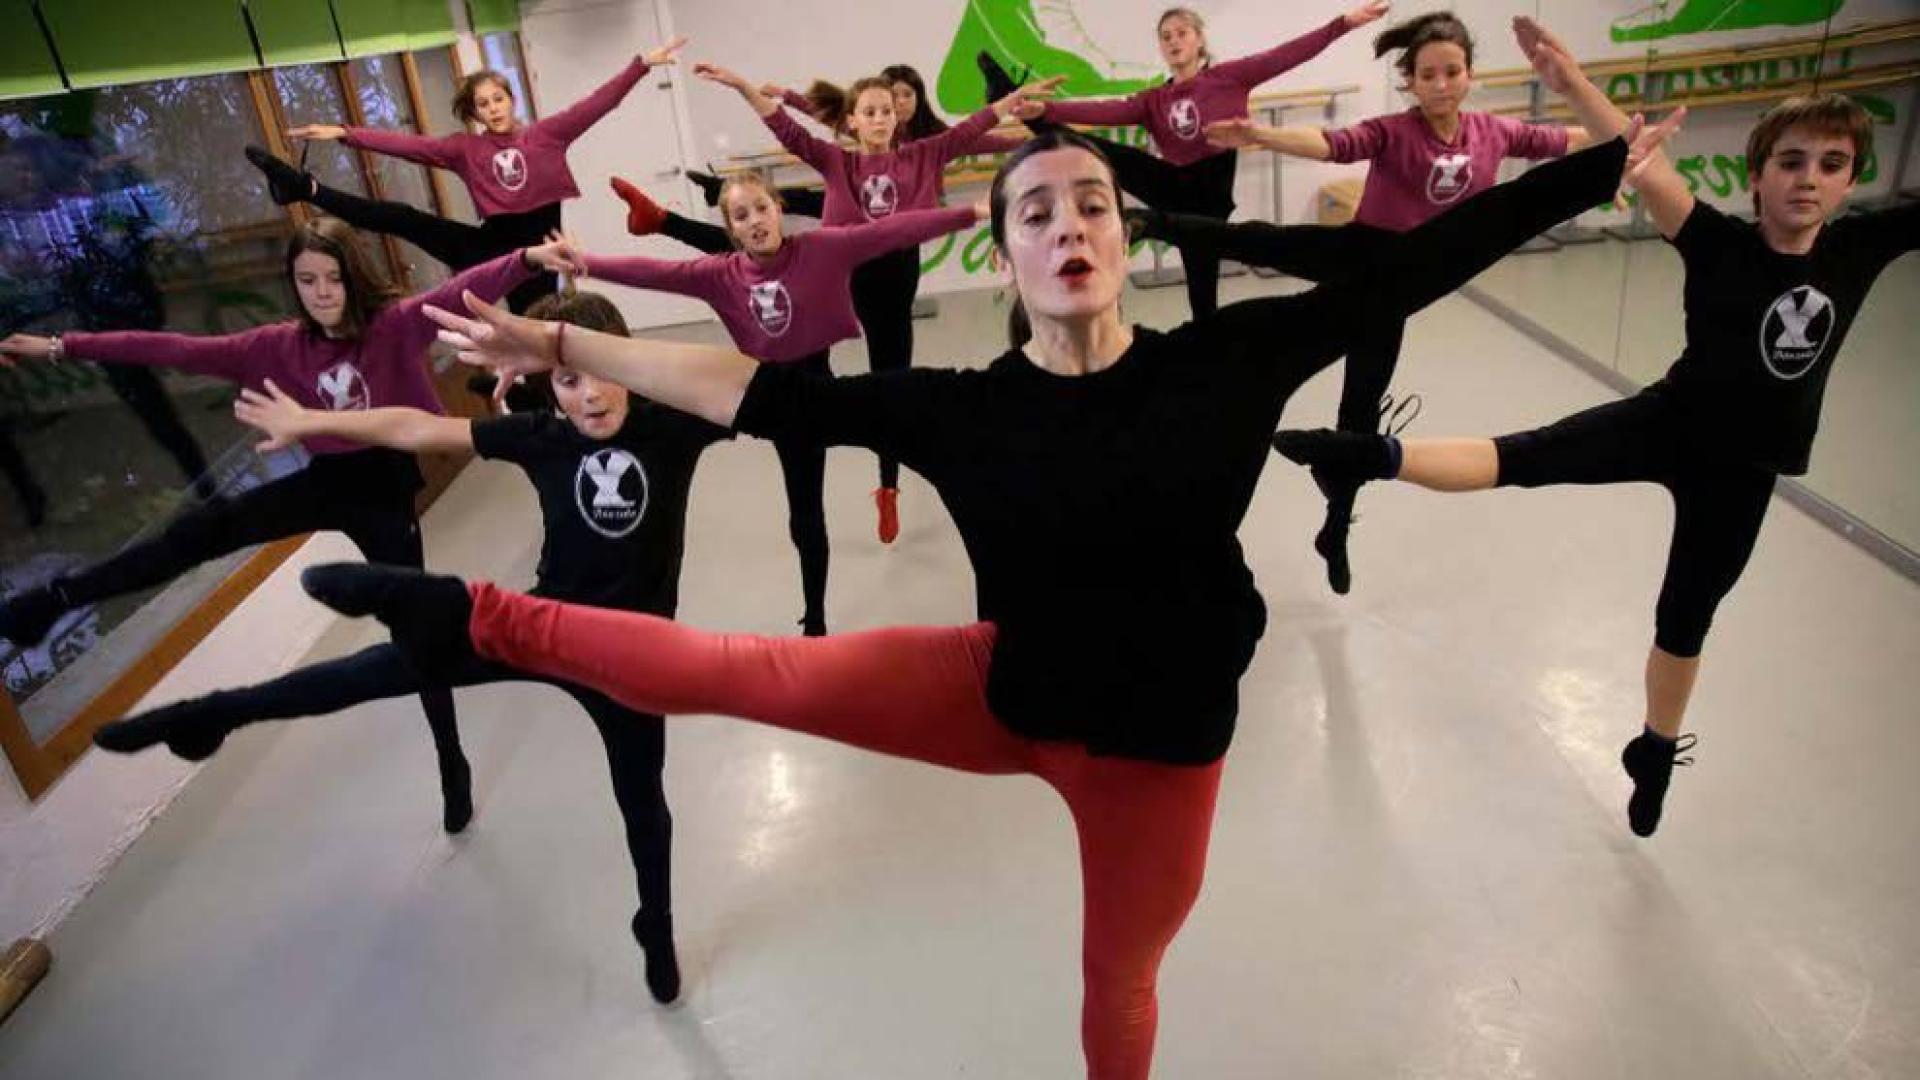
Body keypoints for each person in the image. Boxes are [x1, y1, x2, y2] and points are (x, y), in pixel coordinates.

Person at [297, 120, 1669, 1077]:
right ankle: (475, 618)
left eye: (1089, 207)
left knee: (1117, 984)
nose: (1066, 226)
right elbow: (745, 391)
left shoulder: (1233, 360)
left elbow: (1426, 260)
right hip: (1001, 692)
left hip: (1155, 759)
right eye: (1034, 213)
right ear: (1000, 257)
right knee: (737, 668)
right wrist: (556, 336)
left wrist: (1605, 167)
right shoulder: (960, 409)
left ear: (1121, 238)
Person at [1273, 18, 1914, 838]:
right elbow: (1637, 159)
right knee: (1527, 456)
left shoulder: (1859, 249)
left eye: (1831, 166)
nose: (1809, 181)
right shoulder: (1716, 242)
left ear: (1854, 178)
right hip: (1668, 423)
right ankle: (1365, 455)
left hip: (1744, 471)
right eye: (1790, 162)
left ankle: (1653, 749)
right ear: (1757, 176)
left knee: (1685, 619)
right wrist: (1572, 79)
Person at [93, 291, 725, 1004]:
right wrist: (316, 420)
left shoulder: (672, 428)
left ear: (628, 363)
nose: (589, 394)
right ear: (549, 383)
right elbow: (418, 427)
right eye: (569, 379)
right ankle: (219, 711)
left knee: (642, 798)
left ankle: (656, 923)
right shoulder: (542, 436)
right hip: (542, 628)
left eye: (600, 371)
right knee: (389, 666)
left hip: (630, 654)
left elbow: (751, 385)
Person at [0, 221, 584, 832]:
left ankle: (450, 760)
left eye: (333, 278)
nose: (322, 292)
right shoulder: (274, 345)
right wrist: (63, 347)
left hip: (383, 488)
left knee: (416, 635)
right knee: (198, 534)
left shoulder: (393, 325)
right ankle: (55, 599)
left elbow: (466, 288)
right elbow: (170, 348)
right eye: (308, 280)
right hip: (325, 480)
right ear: (294, 284)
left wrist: (528, 257)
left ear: (352, 279)